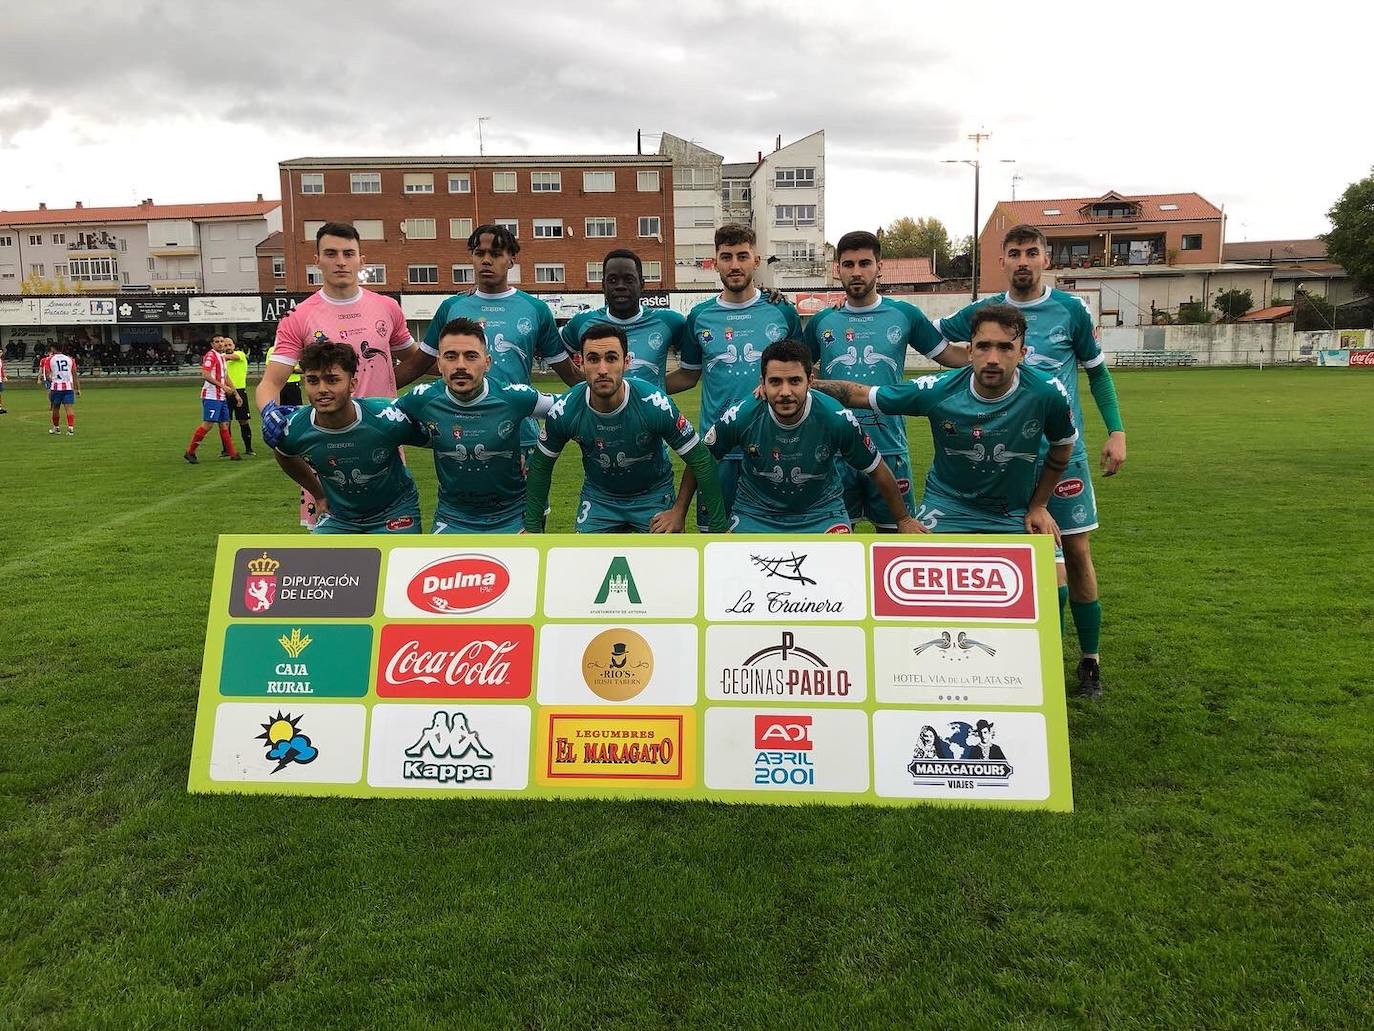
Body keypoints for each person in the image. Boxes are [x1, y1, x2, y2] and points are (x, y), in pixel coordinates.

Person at [935, 225, 1127, 697]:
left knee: (1076, 554)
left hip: (1063, 454)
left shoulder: (1071, 310)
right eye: (1015, 253)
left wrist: (1117, 430)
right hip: (1006, 458)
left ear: (1046, 259)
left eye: (1032, 252)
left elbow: (1097, 375)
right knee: (1001, 559)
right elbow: (936, 342)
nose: (1023, 260)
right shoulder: (984, 314)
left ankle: (1088, 663)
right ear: (1003, 260)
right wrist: (970, 366)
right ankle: (1020, 663)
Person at [813, 304, 1076, 562]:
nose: (993, 358)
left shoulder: (1047, 392)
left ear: (1022, 353)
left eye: (1006, 347)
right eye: (984, 346)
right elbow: (860, 394)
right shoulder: (938, 391)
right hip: (948, 506)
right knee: (919, 574)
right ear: (970, 351)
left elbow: (1063, 445)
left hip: (1015, 510)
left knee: (1056, 585)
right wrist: (802, 385)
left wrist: (1039, 505)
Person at [256, 222, 423, 524]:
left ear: (362, 258)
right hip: (325, 444)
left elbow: (418, 361)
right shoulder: (299, 317)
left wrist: (477, 371)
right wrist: (268, 411)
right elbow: (271, 381)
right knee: (331, 557)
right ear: (317, 259)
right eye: (331, 253)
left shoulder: (387, 308)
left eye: (349, 253)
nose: (341, 261)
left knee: (391, 545)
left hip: (382, 437)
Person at [803, 230, 968, 530]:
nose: (856, 272)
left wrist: (995, 357)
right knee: (837, 548)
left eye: (865, 263)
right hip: (835, 451)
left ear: (880, 266)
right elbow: (795, 371)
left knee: (897, 543)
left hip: (889, 448)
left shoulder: (904, 315)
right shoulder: (822, 321)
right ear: (836, 269)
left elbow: (950, 357)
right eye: (848, 264)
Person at [687, 339, 919, 534]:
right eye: (775, 382)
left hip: (822, 513)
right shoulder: (742, 415)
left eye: (795, 381)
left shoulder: (836, 417)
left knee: (839, 579)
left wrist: (904, 520)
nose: (785, 392)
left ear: (810, 381)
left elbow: (876, 468)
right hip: (756, 514)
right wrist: (678, 511)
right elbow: (701, 459)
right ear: (763, 384)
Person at [396, 224, 581, 462]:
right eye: (479, 253)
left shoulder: (535, 309)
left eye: (495, 254)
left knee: (527, 500)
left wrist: (611, 396)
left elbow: (569, 374)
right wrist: (357, 395)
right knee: (462, 496)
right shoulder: (451, 308)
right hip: (461, 431)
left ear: (511, 260)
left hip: (519, 434)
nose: (486, 260)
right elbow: (415, 366)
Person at [524, 324, 727, 534]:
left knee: (666, 564)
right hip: (599, 498)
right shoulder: (565, 410)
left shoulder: (654, 404)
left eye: (611, 358)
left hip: (652, 495)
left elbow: (701, 459)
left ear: (626, 362)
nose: (602, 369)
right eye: (593, 359)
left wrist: (683, 513)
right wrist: (532, 528)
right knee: (585, 563)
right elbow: (540, 466)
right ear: (581, 363)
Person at [671, 224, 803, 527]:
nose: (734, 265)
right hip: (717, 451)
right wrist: (634, 391)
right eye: (726, 257)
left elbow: (803, 377)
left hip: (774, 448)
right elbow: (688, 377)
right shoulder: (699, 317)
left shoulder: (782, 311)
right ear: (715, 262)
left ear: (756, 260)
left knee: (773, 541)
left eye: (742, 256)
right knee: (715, 543)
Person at [395, 317, 557, 533]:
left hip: (513, 516)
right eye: (451, 357)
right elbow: (377, 422)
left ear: (487, 363)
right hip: (453, 518)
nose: (460, 365)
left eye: (471, 356)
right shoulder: (421, 399)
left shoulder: (514, 398)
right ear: (439, 363)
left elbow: (571, 409)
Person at [272, 339, 428, 534]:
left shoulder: (386, 417)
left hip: (395, 513)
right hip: (339, 517)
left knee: (396, 563)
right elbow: (283, 454)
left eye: (332, 380)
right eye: (313, 380)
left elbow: (438, 440)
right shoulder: (294, 427)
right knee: (315, 563)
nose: (322, 389)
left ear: (352, 383)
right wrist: (318, 494)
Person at [559, 249, 688, 390]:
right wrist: (582, 385)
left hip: (648, 412)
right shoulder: (582, 322)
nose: (620, 286)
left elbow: (691, 372)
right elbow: (553, 352)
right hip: (597, 412)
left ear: (642, 284)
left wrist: (656, 389)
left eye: (629, 280)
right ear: (603, 285)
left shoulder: (670, 321)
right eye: (613, 280)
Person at [184, 336, 240, 463]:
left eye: (222, 342)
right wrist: (222, 386)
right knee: (208, 424)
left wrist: (236, 394)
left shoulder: (222, 357)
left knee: (224, 424)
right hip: (211, 396)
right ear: (212, 344)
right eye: (217, 342)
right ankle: (190, 452)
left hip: (220, 396)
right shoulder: (211, 355)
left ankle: (233, 453)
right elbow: (206, 374)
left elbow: (226, 377)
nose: (220, 344)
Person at [221, 336, 255, 456]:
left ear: (234, 346)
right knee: (225, 421)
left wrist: (219, 358)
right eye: (225, 345)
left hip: (240, 391)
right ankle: (227, 449)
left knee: (243, 420)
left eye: (230, 345)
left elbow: (231, 357)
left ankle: (249, 448)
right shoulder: (222, 361)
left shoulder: (239, 354)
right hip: (225, 391)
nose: (228, 347)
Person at [45, 345, 80, 436]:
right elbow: (75, 374)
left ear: (53, 349)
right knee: (69, 408)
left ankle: (56, 428)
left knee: (56, 408)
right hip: (68, 387)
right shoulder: (70, 359)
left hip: (56, 387)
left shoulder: (49, 359)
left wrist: (52, 380)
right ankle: (71, 428)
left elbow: (47, 374)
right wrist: (77, 388)